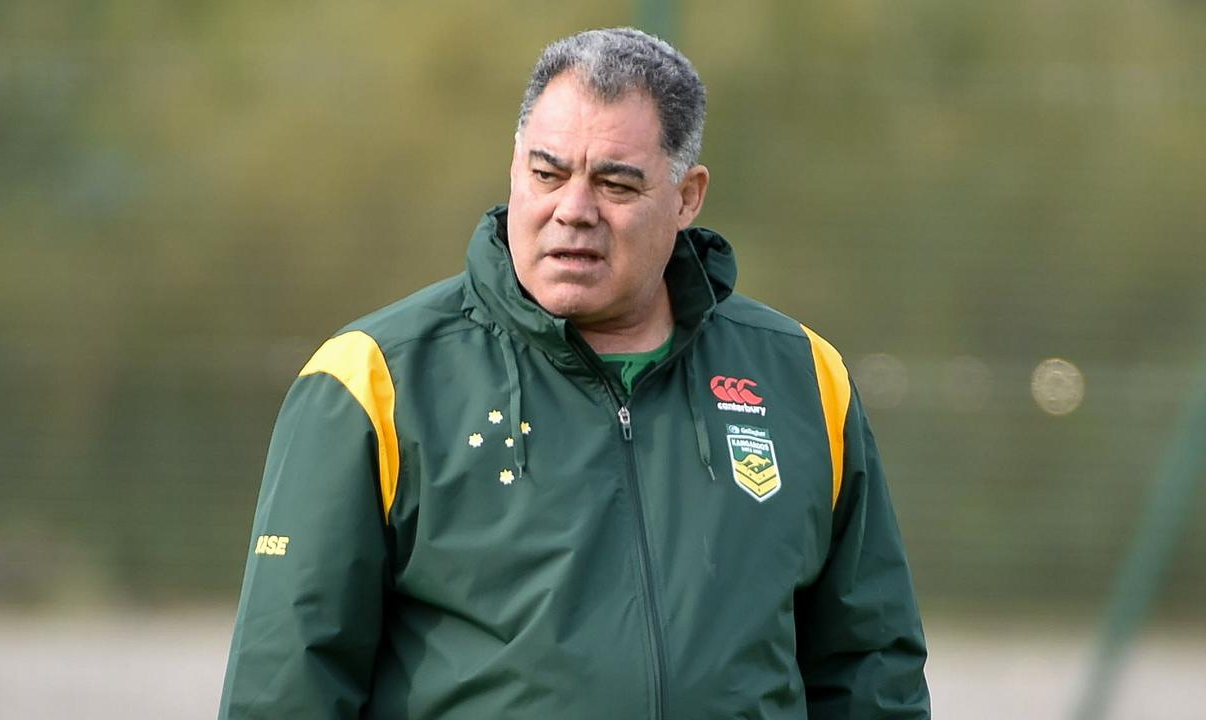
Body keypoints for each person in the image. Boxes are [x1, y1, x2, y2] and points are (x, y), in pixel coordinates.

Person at [219, 27, 930, 719]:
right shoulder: (372, 380)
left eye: (616, 184)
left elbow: (870, 668)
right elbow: (287, 686)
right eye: (547, 173)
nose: (573, 210)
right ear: (514, 169)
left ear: (687, 198)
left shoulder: (803, 377)